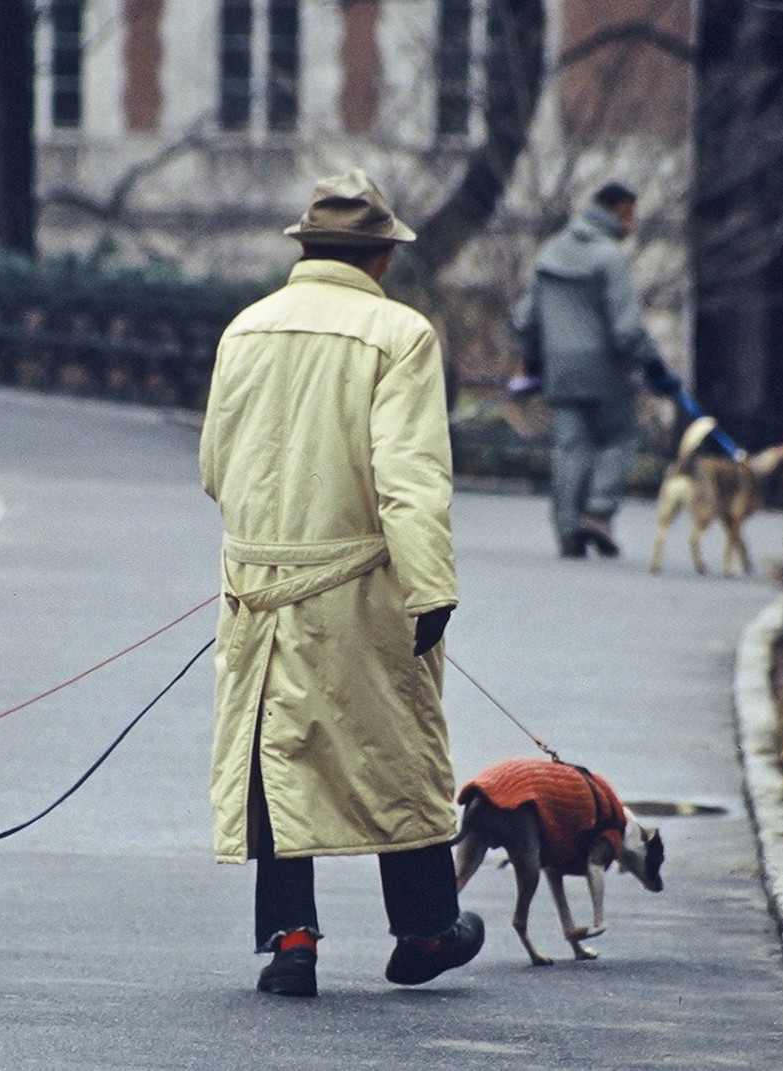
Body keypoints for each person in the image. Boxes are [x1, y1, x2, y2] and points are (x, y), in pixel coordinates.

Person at [199, 169, 484, 998]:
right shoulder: (400, 335)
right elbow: (410, 477)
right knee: (397, 750)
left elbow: (215, 467)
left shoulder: (245, 328)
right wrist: (432, 588)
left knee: (275, 755)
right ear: (382, 258)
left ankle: (292, 941)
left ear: (307, 248)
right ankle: (427, 928)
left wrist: (268, 540)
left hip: (257, 582)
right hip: (361, 579)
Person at [511, 181, 680, 559]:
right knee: (620, 438)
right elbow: (626, 328)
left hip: (560, 369)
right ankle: (598, 513)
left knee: (571, 447)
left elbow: (525, 319)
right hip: (605, 370)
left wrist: (535, 362)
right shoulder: (611, 257)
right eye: (631, 216)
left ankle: (568, 528)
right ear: (619, 210)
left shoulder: (551, 250)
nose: (633, 225)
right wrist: (654, 367)